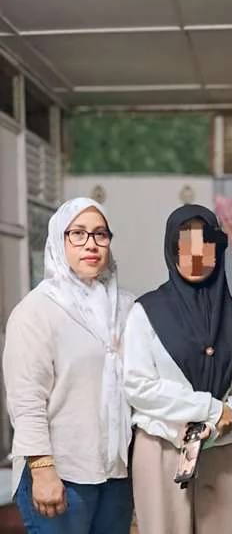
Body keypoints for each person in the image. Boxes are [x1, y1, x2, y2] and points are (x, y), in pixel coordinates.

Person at [123, 204, 232, 534]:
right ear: (172, 250)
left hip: (222, 446)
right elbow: (139, 386)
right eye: (186, 246)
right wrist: (211, 408)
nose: (196, 256)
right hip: (163, 448)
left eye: (206, 246)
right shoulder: (146, 312)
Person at [3, 198, 134, 534]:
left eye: (100, 234)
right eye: (77, 233)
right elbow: (26, 399)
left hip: (116, 471)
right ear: (58, 241)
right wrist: (42, 468)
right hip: (61, 471)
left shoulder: (126, 307)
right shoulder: (36, 311)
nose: (91, 244)